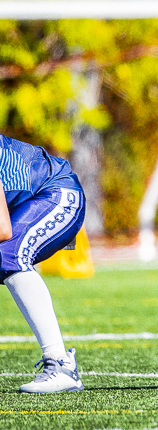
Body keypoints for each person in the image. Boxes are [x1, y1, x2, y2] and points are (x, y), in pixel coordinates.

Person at [0, 134, 85, 393]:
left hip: (58, 194)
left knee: (8, 254)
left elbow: (3, 229)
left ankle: (60, 364)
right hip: (29, 204)